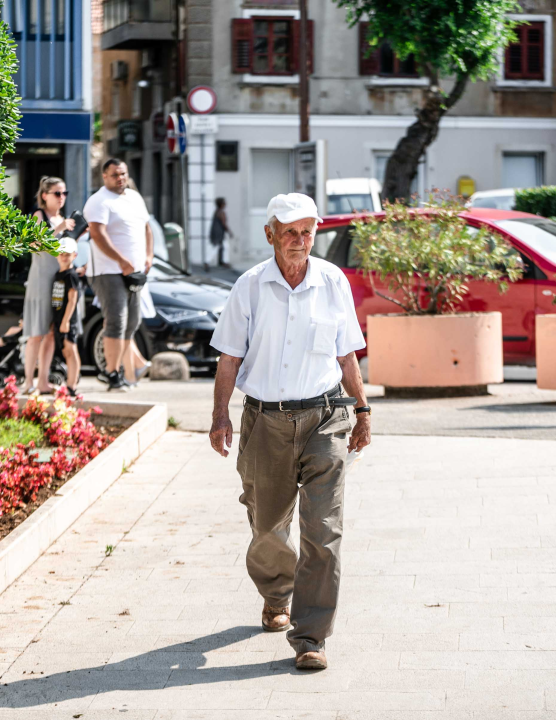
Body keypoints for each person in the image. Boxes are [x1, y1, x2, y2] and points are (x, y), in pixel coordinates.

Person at [208, 193, 372, 671]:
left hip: (325, 416)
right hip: (266, 421)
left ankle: (311, 635)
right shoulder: (250, 286)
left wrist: (362, 411)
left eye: (307, 231)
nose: (300, 241)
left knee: (323, 531)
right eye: (290, 232)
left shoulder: (332, 282)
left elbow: (347, 355)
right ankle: (277, 593)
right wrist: (221, 416)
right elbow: (229, 358)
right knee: (267, 525)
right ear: (270, 235)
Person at [83, 159, 153, 392]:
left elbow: (146, 228)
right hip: (108, 271)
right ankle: (111, 373)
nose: (120, 178)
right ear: (105, 177)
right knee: (116, 321)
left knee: (132, 322)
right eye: (115, 175)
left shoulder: (134, 197)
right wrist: (121, 260)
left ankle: (121, 371)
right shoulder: (98, 201)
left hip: (134, 272)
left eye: (123, 173)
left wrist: (149, 256)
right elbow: (98, 235)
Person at [23, 177, 75, 394]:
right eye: (57, 193)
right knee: (36, 332)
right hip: (40, 280)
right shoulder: (39, 216)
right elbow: (33, 245)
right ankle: (28, 382)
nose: (61, 198)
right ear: (44, 195)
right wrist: (59, 228)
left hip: (58, 280)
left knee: (52, 332)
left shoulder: (63, 219)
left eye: (64, 194)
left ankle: (43, 381)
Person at [51, 237, 83, 396]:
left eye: (68, 254)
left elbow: (72, 300)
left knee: (71, 350)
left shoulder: (71, 275)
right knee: (65, 351)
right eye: (61, 253)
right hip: (58, 319)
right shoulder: (58, 274)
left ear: (74, 255)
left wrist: (66, 321)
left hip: (68, 320)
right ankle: (71, 380)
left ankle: (72, 385)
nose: (64, 256)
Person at [207, 198, 232, 271]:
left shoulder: (216, 211)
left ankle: (224, 262)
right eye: (224, 203)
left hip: (217, 233)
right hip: (219, 234)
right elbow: (224, 224)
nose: (225, 204)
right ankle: (207, 262)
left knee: (225, 246)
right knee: (216, 248)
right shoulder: (221, 212)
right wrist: (230, 232)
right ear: (221, 204)